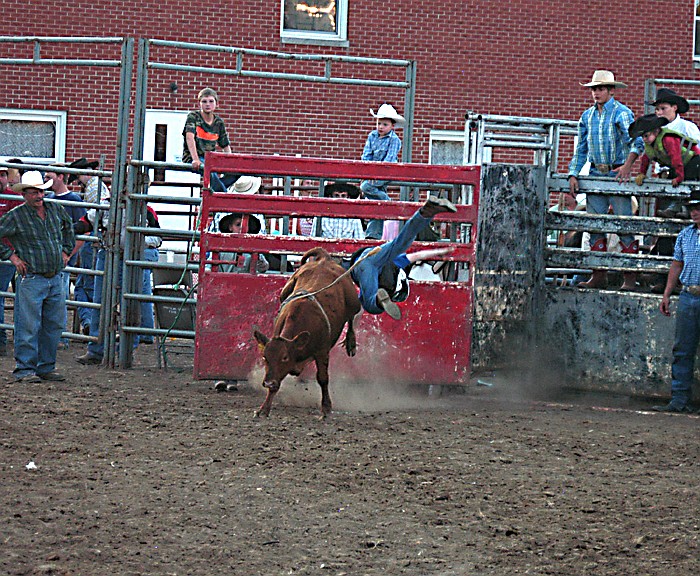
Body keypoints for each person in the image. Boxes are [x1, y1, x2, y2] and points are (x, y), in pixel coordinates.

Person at [567, 70, 645, 291]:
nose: (596, 93)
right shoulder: (587, 116)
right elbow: (581, 149)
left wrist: (628, 165)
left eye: (600, 89)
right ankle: (598, 274)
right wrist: (574, 173)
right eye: (594, 89)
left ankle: (629, 277)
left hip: (615, 171)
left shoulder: (622, 113)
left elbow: (636, 142)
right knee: (595, 225)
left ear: (611, 91)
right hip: (595, 172)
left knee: (623, 223)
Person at [0, 171, 75, 382]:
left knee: (54, 324)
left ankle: (43, 366)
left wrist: (66, 250)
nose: (38, 196)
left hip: (52, 276)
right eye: (33, 192)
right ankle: (26, 368)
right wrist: (12, 257)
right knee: (29, 324)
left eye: (40, 191)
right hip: (33, 276)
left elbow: (69, 229)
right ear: (24, 194)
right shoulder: (16, 215)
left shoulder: (55, 209)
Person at [348, 196, 456, 320]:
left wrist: (438, 251)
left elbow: (416, 256)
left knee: (402, 242)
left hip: (371, 255)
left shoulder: (398, 265)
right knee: (370, 306)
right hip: (366, 264)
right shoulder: (385, 276)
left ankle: (424, 213)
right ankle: (425, 214)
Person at [656, 190, 700, 413]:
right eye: (693, 208)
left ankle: (681, 398)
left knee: (684, 349)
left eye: (698, 208)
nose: (695, 212)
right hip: (688, 294)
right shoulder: (685, 235)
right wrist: (667, 293)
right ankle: (679, 399)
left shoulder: (686, 235)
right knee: (682, 349)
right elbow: (676, 265)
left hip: (691, 296)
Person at [45, 165, 88, 348]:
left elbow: (84, 232)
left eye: (49, 176)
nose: (46, 179)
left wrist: (68, 254)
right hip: (48, 256)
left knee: (59, 297)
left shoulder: (73, 200)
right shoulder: (47, 198)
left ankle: (60, 336)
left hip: (61, 256)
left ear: (61, 177)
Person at [69, 158, 107, 333]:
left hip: (93, 235)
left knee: (84, 283)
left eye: (78, 177)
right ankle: (92, 322)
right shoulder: (98, 186)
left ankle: (89, 322)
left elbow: (93, 215)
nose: (78, 182)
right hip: (99, 235)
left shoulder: (93, 189)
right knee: (90, 282)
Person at [652, 88, 700, 218]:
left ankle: (682, 206)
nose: (660, 112)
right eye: (657, 109)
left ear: (674, 107)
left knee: (684, 219)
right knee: (662, 219)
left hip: (685, 175)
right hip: (664, 176)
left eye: (663, 108)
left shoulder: (688, 128)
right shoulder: (654, 130)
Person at [360, 103, 404, 240]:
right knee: (376, 204)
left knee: (365, 187)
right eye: (379, 123)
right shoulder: (372, 136)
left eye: (384, 124)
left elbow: (389, 160)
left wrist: (377, 174)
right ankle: (373, 234)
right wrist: (369, 171)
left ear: (392, 126)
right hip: (374, 172)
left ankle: (389, 203)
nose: (380, 127)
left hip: (388, 171)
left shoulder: (394, 140)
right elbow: (366, 155)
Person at [182, 87, 236, 193]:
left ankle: (216, 191)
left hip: (211, 158)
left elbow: (225, 145)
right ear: (199, 104)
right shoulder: (193, 117)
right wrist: (195, 159)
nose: (208, 104)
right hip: (195, 157)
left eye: (211, 101)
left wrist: (230, 163)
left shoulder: (218, 122)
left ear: (217, 104)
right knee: (208, 169)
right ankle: (222, 196)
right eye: (204, 101)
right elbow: (189, 137)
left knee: (237, 170)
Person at [0, 166, 23, 356]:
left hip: (8, 253)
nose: (1, 179)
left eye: (3, 175)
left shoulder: (13, 199)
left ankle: (1, 338)